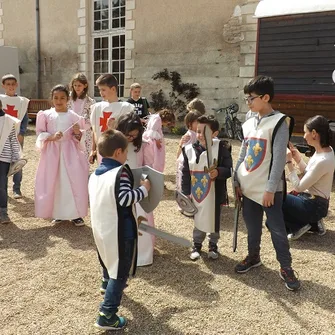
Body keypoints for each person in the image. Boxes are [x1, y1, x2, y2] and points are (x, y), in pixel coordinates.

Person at [234, 75, 300, 291]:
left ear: (265, 97)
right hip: (249, 185)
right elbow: (244, 153)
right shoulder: (250, 122)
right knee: (252, 226)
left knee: (277, 229)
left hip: (269, 189)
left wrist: (271, 189)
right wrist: (236, 178)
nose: (248, 103)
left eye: (251, 98)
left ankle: (286, 267)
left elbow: (279, 157)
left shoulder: (280, 122)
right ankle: (254, 256)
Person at [88, 129, 151, 330]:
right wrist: (144, 189)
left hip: (101, 229)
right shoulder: (120, 172)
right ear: (118, 153)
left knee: (107, 260)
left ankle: (106, 284)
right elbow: (124, 199)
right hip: (119, 232)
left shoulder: (95, 174)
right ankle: (107, 314)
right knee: (120, 272)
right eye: (125, 152)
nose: (126, 156)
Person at [35, 85, 89, 226]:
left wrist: (77, 132)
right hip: (52, 153)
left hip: (70, 153)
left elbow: (80, 138)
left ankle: (75, 214)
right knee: (56, 181)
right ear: (52, 99)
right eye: (56, 98)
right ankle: (58, 213)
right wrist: (51, 137)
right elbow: (39, 133)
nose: (59, 101)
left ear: (68, 99)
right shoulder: (46, 115)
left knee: (72, 181)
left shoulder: (74, 116)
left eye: (62, 98)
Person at [181, 115, 232, 260]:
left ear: (215, 134)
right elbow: (185, 173)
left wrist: (219, 172)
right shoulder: (189, 150)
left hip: (215, 192)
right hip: (197, 192)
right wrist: (186, 193)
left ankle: (213, 244)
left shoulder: (221, 148)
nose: (200, 135)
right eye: (198, 131)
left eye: (204, 132)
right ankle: (196, 244)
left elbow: (229, 169)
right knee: (198, 218)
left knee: (214, 218)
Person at [283, 115, 335, 240]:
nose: (304, 136)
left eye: (305, 132)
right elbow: (310, 174)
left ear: (314, 133)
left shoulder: (323, 159)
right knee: (271, 223)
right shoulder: (325, 151)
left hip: (314, 204)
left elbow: (299, 187)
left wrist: (289, 163)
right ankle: (314, 223)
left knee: (278, 197)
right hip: (312, 201)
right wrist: (298, 158)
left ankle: (301, 225)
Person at [116, 112, 155, 266]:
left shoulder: (144, 145)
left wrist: (144, 180)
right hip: (120, 186)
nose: (129, 138)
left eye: (133, 135)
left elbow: (149, 167)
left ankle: (142, 255)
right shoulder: (116, 143)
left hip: (138, 188)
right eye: (126, 135)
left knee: (141, 219)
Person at [90, 74, 134, 164]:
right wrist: (93, 150)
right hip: (102, 151)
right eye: (99, 90)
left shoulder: (125, 108)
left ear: (113, 89)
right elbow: (94, 131)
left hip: (118, 151)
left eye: (103, 90)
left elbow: (130, 132)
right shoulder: (97, 108)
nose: (101, 93)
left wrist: (115, 127)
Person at [0, 73, 29, 199]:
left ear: (16, 85)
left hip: (16, 135)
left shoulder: (22, 102)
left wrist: (21, 132)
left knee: (16, 160)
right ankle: (2, 189)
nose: (11, 86)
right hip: (2, 134)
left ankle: (16, 188)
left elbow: (24, 119)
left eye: (13, 84)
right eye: (8, 84)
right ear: (3, 86)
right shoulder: (1, 99)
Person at [0, 99, 21, 223]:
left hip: (4, 158)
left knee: (2, 186)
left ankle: (3, 211)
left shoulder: (9, 121)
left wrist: (15, 159)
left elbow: (13, 140)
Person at [68, 73, 95, 160]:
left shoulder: (90, 102)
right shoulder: (68, 99)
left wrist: (81, 127)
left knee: (83, 157)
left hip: (85, 134)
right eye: (75, 85)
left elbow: (92, 119)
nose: (77, 87)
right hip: (69, 131)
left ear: (85, 85)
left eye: (79, 85)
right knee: (70, 157)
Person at [176, 110, 201, 196]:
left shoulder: (196, 134)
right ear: (190, 124)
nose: (198, 124)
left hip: (191, 163)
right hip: (186, 163)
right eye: (196, 122)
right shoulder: (189, 135)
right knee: (184, 183)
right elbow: (185, 150)